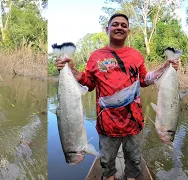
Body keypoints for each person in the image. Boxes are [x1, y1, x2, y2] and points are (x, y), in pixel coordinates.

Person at [56, 13, 180, 180]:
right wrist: (71, 69)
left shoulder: (136, 55)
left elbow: (143, 79)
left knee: (134, 160)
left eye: (123, 25)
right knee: (106, 163)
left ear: (128, 31)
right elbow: (89, 83)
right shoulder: (96, 56)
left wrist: (165, 68)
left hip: (134, 123)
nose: (119, 27)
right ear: (107, 29)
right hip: (107, 124)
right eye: (115, 24)